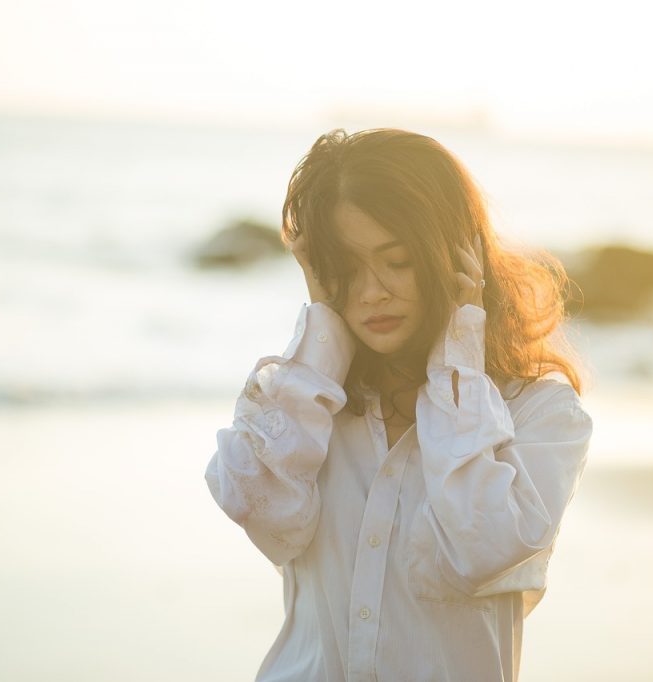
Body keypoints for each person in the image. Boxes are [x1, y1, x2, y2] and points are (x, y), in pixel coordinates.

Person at [204, 128, 594, 682]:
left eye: (399, 261)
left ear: (459, 256)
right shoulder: (309, 404)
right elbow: (265, 513)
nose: (371, 292)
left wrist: (461, 343)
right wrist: (320, 331)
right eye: (346, 266)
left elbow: (482, 548)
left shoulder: (540, 415)